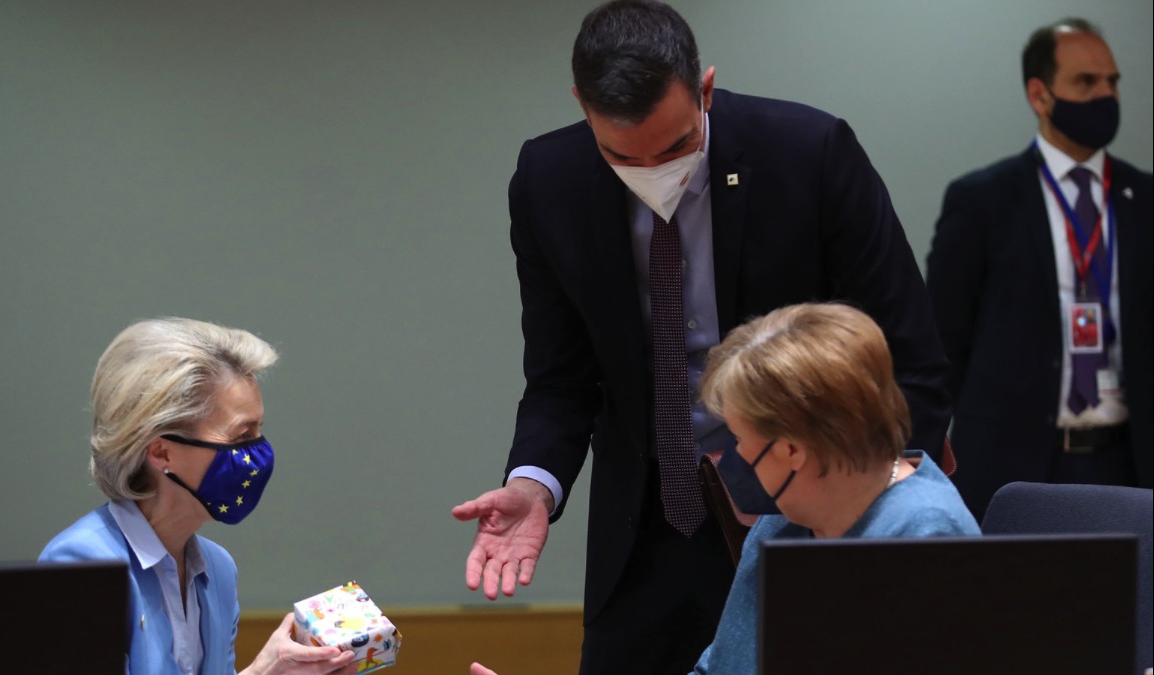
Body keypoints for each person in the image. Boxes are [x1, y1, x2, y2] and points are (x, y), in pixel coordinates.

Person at [451, 2, 951, 673]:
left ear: (705, 89)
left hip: (804, 510)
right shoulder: (551, 180)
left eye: (676, 147)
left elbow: (910, 360)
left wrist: (859, 503)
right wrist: (534, 483)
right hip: (647, 528)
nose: (653, 171)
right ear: (581, 105)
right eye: (621, 156)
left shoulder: (808, 153)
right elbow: (560, 376)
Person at [467, 303, 979, 675]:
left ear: (792, 451)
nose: (735, 460)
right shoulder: (790, 516)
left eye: (740, 442)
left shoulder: (924, 535)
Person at [40, 318, 359, 675]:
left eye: (259, 430)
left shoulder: (217, 569)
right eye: (240, 436)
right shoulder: (82, 565)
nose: (259, 454)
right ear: (161, 453)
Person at [926, 18, 1152, 521]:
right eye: (1086, 83)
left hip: (1129, 463)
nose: (1106, 96)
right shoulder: (981, 201)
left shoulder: (1145, 200)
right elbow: (942, 342)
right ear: (1040, 94)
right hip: (1016, 466)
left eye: (1112, 82)